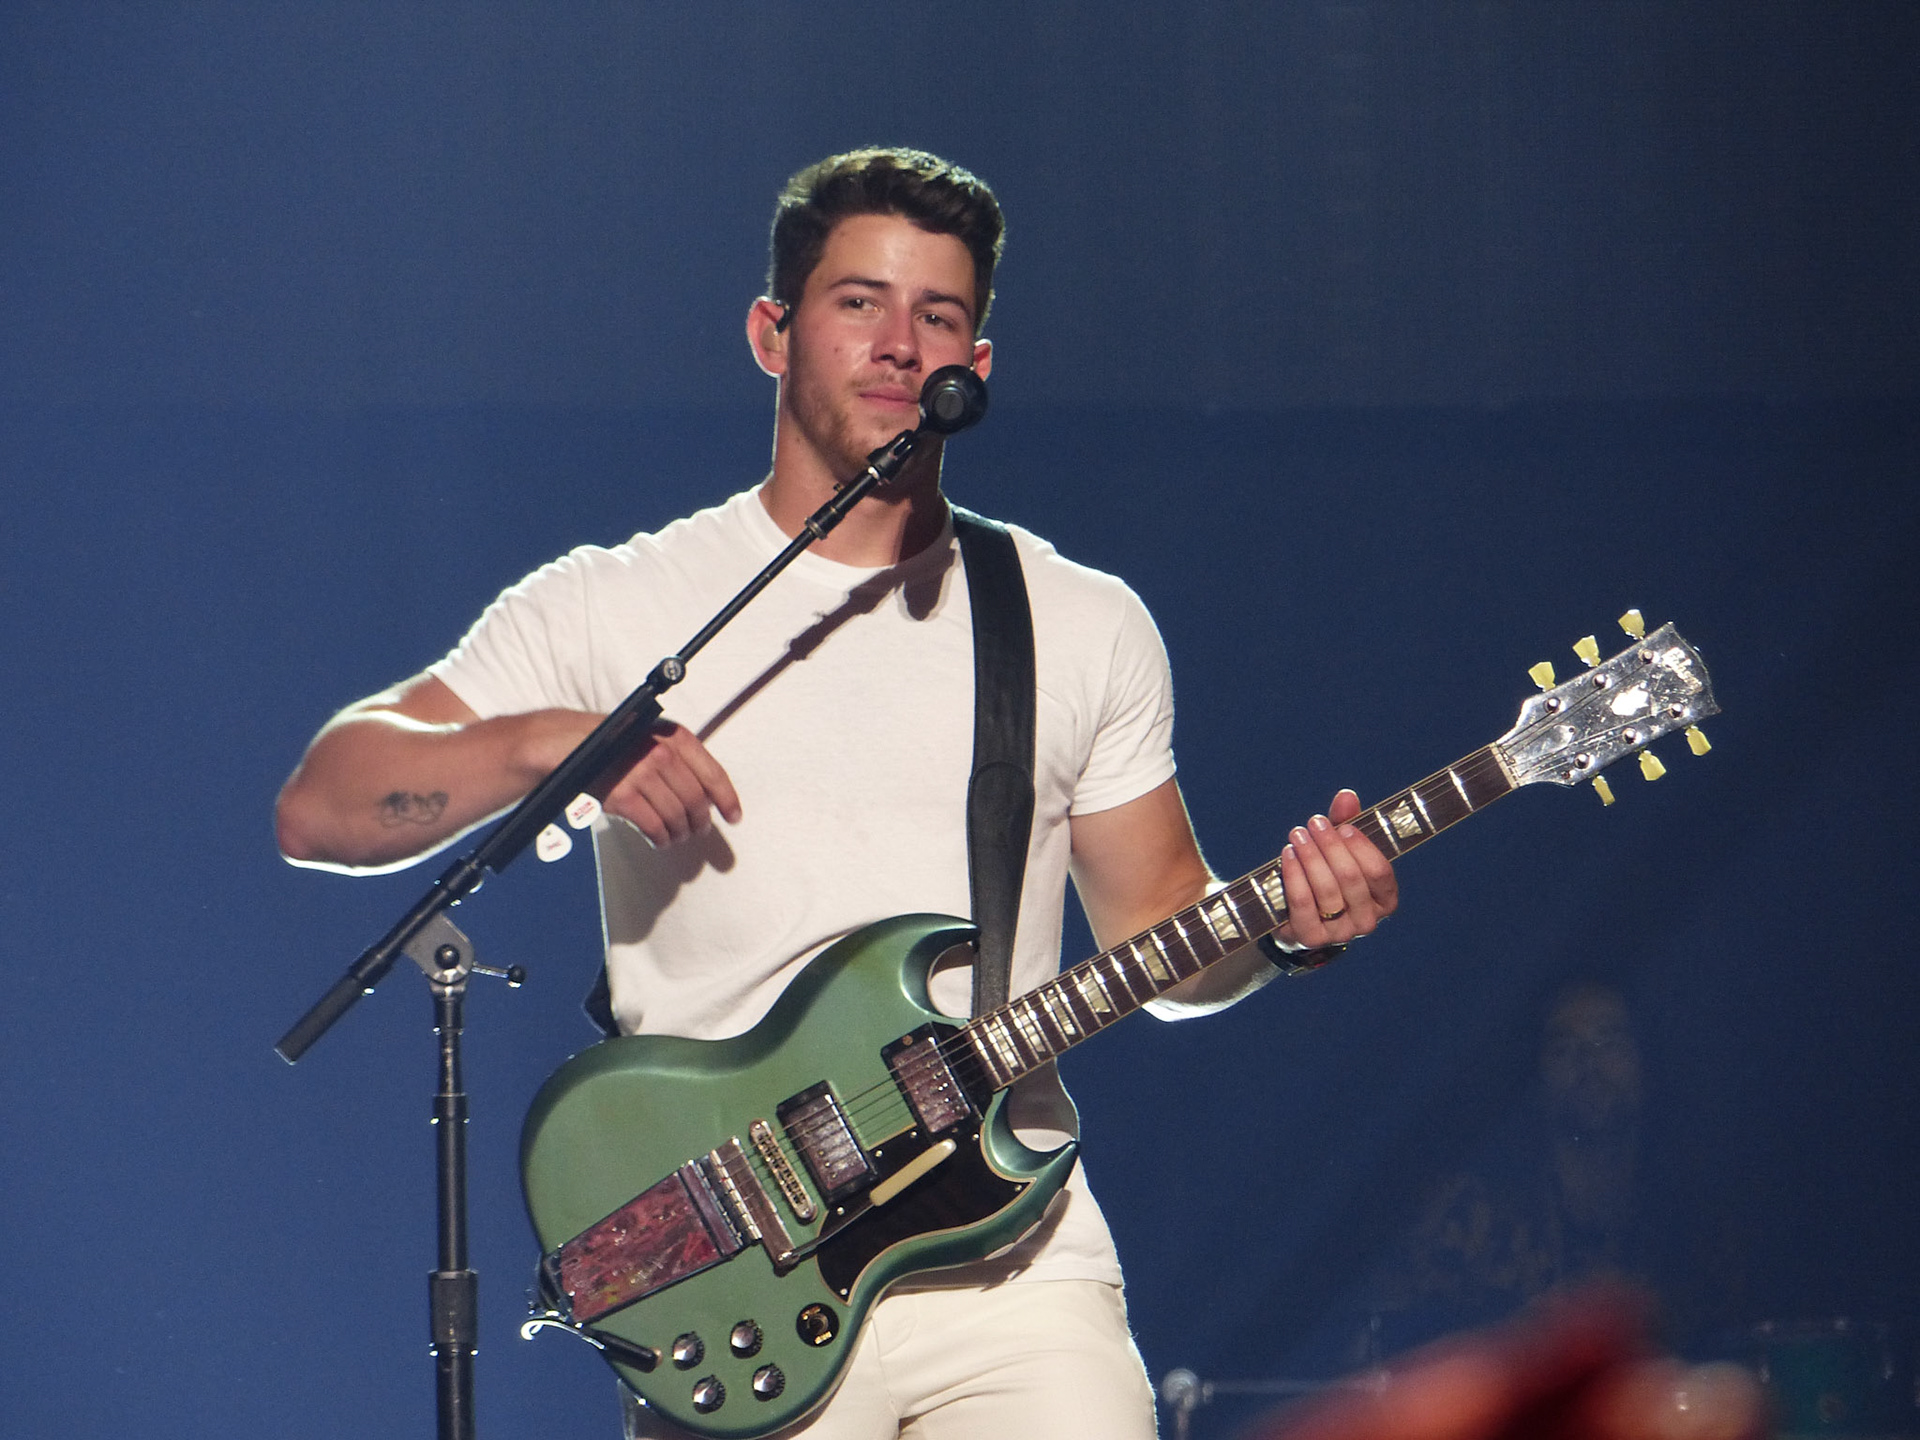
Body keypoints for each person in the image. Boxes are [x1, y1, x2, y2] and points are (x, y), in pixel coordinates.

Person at [274, 147, 1399, 1439]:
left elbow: (1162, 933)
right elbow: (328, 803)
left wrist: (1280, 933)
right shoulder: (615, 604)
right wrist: (562, 744)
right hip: (742, 1281)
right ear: (772, 333)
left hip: (1014, 1273)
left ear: (978, 363)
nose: (899, 344)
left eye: (940, 316)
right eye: (859, 302)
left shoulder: (1077, 621)